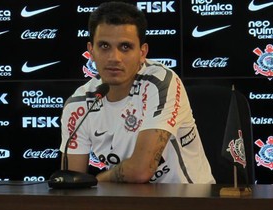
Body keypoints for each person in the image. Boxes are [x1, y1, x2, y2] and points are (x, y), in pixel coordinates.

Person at [59, 1, 215, 184]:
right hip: (126, 203)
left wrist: (95, 183)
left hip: (188, 202)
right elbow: (70, 184)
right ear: (91, 51)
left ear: (142, 52)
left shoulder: (161, 83)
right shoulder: (79, 103)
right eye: (104, 46)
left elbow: (141, 171)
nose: (114, 58)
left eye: (125, 47)